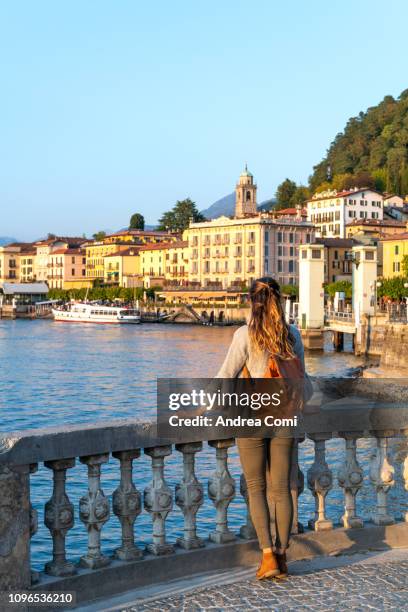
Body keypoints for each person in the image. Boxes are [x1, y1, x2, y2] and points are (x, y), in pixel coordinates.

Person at [216, 277, 311, 580]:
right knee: (282, 489)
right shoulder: (292, 334)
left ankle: (268, 556)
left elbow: (224, 378)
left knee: (257, 488)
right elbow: (304, 383)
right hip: (284, 417)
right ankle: (283, 556)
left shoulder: (245, 335)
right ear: (279, 300)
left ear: (250, 301)